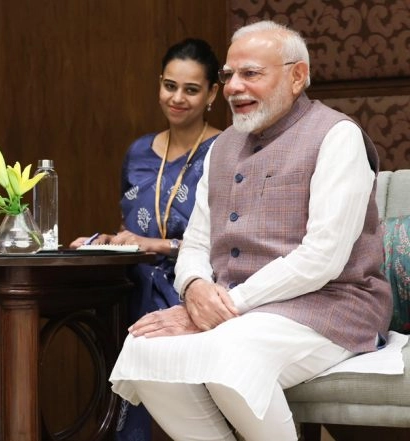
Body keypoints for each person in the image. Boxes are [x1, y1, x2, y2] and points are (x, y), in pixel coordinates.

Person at [109, 20, 393, 440]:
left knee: (230, 351)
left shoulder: (337, 136)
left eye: (250, 74)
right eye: (229, 75)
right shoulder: (221, 147)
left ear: (297, 76)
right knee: (144, 345)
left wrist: (226, 307)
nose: (233, 87)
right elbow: (197, 242)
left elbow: (323, 257)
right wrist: (194, 289)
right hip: (243, 311)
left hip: (332, 306)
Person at [70, 38, 221, 440]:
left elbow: (228, 241)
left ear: (212, 94)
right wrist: (108, 239)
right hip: (132, 284)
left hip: (191, 287)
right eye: (170, 86)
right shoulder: (138, 151)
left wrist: (160, 246)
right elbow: (132, 225)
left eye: (191, 89)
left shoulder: (224, 151)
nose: (177, 98)